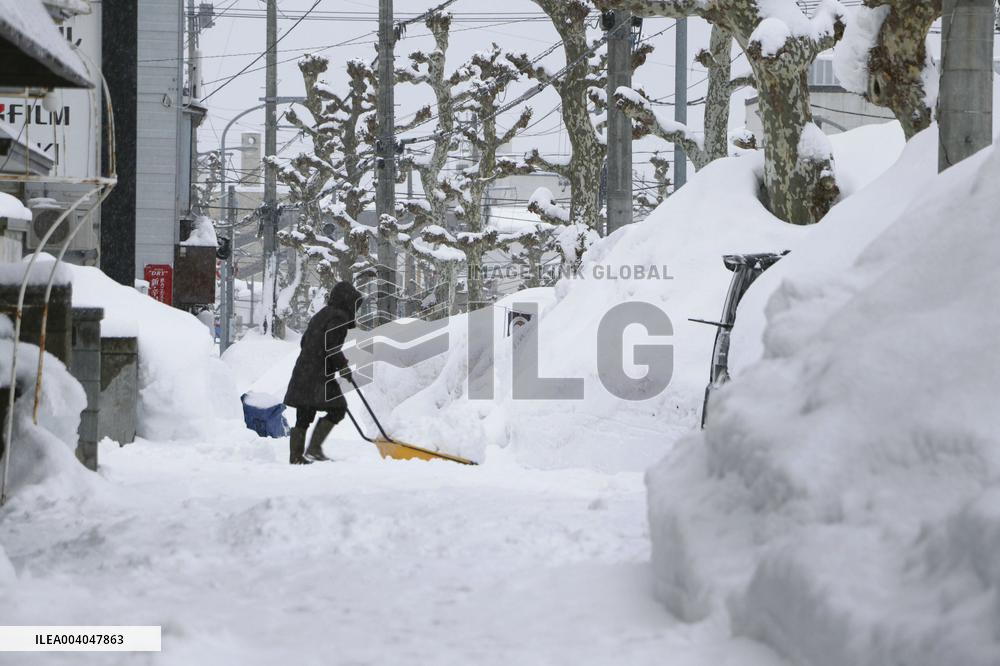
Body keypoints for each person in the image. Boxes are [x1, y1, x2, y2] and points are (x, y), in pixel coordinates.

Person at [283, 281, 364, 464]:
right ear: (347, 302)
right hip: (318, 375)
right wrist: (343, 367)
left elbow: (305, 341)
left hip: (304, 370)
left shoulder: (322, 315)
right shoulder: (339, 317)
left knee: (304, 413)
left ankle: (296, 456)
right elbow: (332, 346)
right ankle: (313, 449)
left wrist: (318, 358)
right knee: (339, 409)